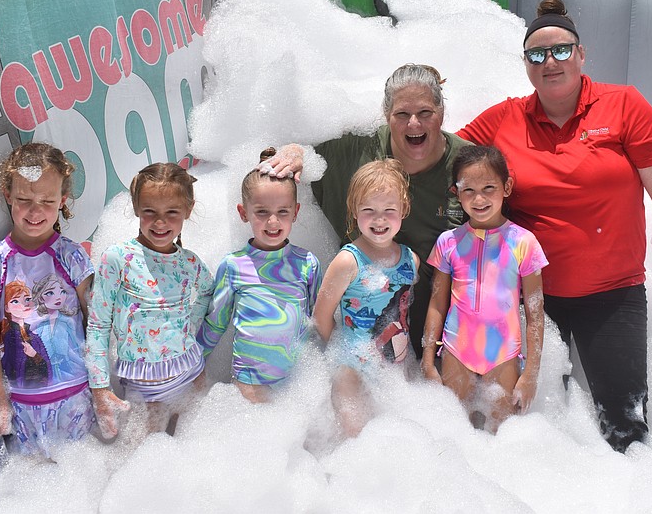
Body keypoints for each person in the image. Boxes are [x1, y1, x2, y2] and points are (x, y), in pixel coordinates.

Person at [456, 0, 652, 451]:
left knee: (627, 429)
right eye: (537, 55)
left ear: (581, 55)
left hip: (613, 295)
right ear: (526, 64)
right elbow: (437, 154)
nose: (550, 62)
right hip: (530, 298)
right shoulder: (506, 118)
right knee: (526, 427)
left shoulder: (624, 105)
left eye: (561, 50)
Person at [265, 64, 472, 359]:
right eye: (402, 114)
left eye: (425, 112)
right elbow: (305, 150)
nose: (414, 124)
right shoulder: (358, 150)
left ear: (442, 111)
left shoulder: (465, 163)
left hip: (434, 341)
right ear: (387, 115)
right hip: (359, 344)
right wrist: (296, 153)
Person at [0, 142, 95, 457]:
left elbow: (98, 322)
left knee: (83, 480)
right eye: (24, 199)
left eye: (47, 201)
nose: (35, 211)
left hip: (77, 397)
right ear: (8, 195)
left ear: (62, 200)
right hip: (23, 406)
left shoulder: (71, 256)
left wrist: (104, 388)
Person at [421, 146, 548, 432]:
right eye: (468, 190)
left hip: (503, 355)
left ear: (507, 187)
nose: (478, 199)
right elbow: (436, 305)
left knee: (501, 436)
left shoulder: (524, 242)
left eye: (489, 187)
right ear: (456, 192)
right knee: (453, 435)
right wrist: (428, 360)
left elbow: (535, 313)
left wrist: (530, 375)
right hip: (456, 350)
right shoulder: (448, 242)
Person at [85, 163, 214, 436]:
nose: (160, 222)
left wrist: (189, 328)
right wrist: (99, 387)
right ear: (136, 209)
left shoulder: (189, 262)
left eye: (172, 213)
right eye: (149, 212)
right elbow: (98, 326)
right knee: (144, 461)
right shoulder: (118, 258)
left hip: (192, 375)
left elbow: (206, 291)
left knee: (195, 452)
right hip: (144, 388)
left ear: (187, 211)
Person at [198, 149, 322, 403]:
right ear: (244, 213)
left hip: (298, 380)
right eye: (262, 212)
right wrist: (193, 364)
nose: (273, 222)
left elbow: (317, 319)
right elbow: (216, 323)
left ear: (296, 212)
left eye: (283, 212)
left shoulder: (307, 263)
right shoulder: (234, 265)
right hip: (250, 382)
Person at [312, 159, 420, 437]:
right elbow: (322, 316)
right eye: (369, 210)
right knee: (357, 442)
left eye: (389, 210)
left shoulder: (411, 260)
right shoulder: (348, 261)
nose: (379, 219)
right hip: (352, 370)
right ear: (354, 211)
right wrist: (342, 353)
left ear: (403, 210)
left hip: (394, 369)